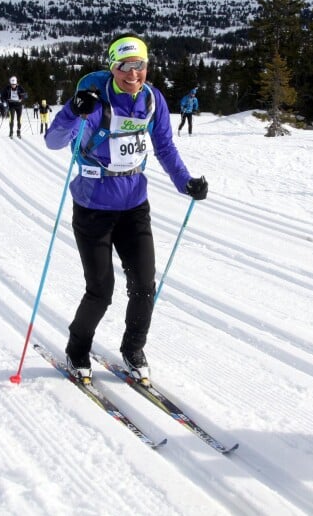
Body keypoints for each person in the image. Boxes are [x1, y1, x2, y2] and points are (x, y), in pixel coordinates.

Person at [45, 33, 208, 384]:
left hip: (135, 205)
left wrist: (186, 182)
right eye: (125, 66)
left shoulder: (151, 99)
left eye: (140, 66)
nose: (133, 74)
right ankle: (77, 349)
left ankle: (133, 348)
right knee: (101, 290)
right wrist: (73, 110)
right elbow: (54, 141)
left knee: (144, 285)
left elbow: (164, 146)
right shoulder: (96, 100)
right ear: (113, 67)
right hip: (93, 206)